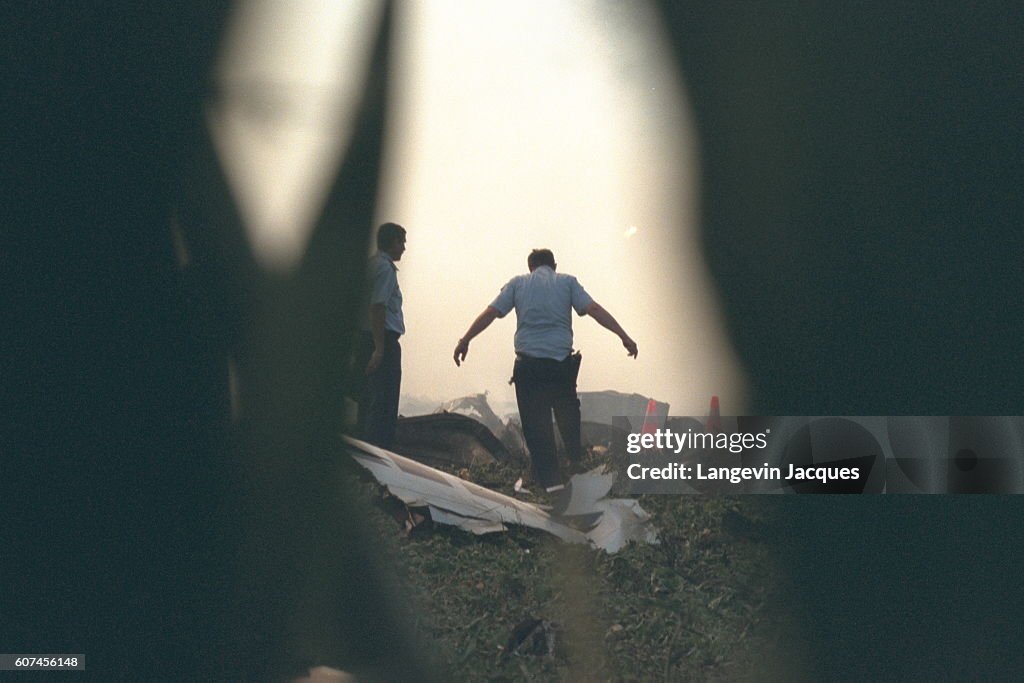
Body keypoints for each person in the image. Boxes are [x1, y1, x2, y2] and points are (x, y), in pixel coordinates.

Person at [453, 249, 637, 504]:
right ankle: (574, 464)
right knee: (567, 415)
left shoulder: (517, 284)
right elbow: (593, 309)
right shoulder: (567, 282)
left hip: (528, 368)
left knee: (536, 426)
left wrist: (465, 340)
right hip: (560, 367)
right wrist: (624, 336)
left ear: (530, 267)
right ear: (554, 265)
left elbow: (491, 313)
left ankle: (551, 484)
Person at [355, 222, 407, 448]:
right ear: (391, 243)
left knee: (366, 399)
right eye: (401, 242)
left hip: (365, 338)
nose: (404, 247)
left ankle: (363, 444)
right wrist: (379, 348)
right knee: (384, 402)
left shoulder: (371, 265)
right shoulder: (385, 269)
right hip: (382, 339)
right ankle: (379, 451)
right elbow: (378, 306)